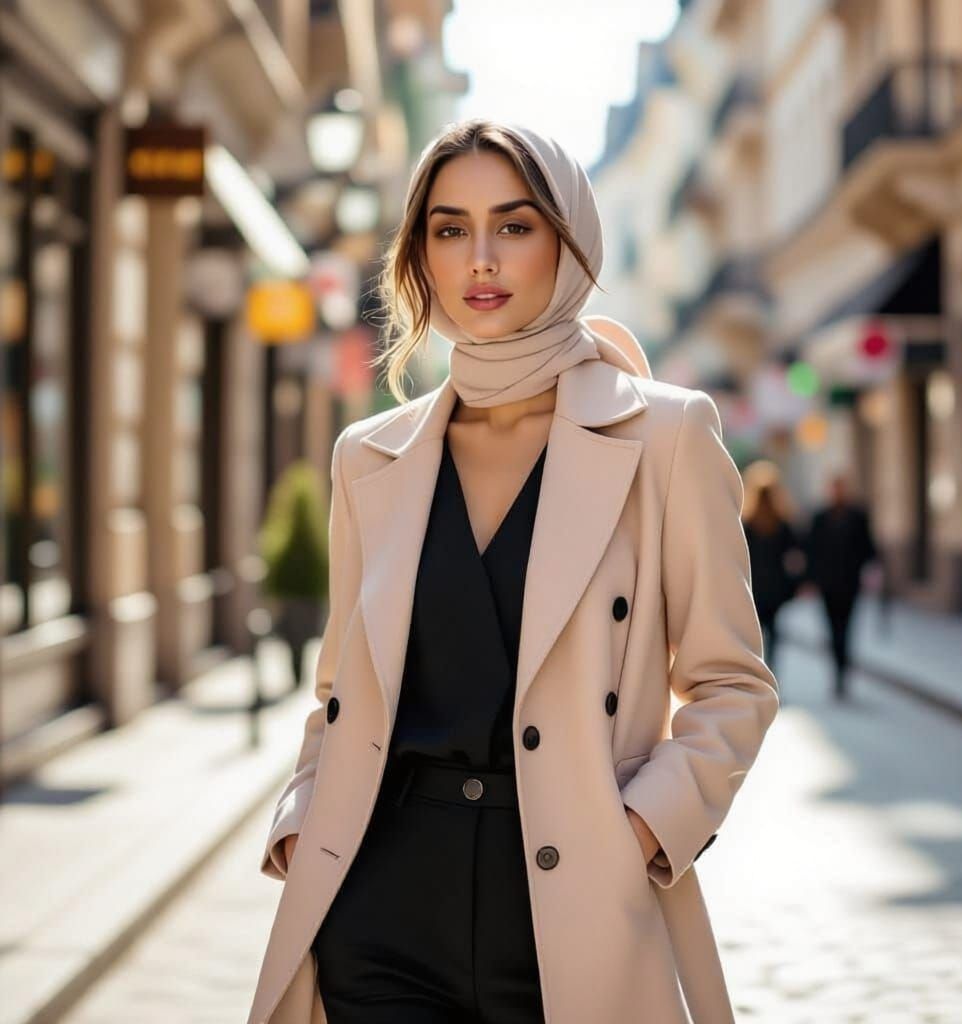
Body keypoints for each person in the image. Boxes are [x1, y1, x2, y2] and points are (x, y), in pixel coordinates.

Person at [246, 119, 779, 1024]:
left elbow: (733, 684)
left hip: (576, 907)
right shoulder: (369, 458)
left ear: (568, 242)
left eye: (515, 225)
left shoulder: (666, 437)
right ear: (420, 255)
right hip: (381, 905)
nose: (481, 258)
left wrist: (645, 828)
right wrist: (304, 818)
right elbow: (340, 689)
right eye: (449, 229)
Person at [804, 471, 878, 700]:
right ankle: (837, 670)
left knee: (846, 629)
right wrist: (810, 580)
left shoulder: (858, 516)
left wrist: (871, 571)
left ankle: (842, 674)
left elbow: (868, 547)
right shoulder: (820, 517)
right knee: (832, 630)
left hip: (850, 584)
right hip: (827, 584)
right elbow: (811, 551)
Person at [741, 460, 804, 678]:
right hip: (777, 587)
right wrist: (795, 583)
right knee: (774, 633)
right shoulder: (782, 522)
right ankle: (771, 673)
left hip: (753, 586)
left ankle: (759, 674)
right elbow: (797, 556)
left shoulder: (746, 523)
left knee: (755, 636)